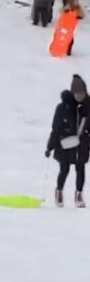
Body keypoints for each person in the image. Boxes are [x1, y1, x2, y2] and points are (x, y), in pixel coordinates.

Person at [46, 75, 90, 208]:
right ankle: (59, 191)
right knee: (64, 170)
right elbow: (56, 128)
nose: (80, 96)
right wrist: (50, 147)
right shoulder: (63, 108)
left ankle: (79, 195)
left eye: (82, 93)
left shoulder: (88, 107)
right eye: (78, 93)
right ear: (73, 92)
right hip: (65, 144)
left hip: (82, 144)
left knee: (80, 169)